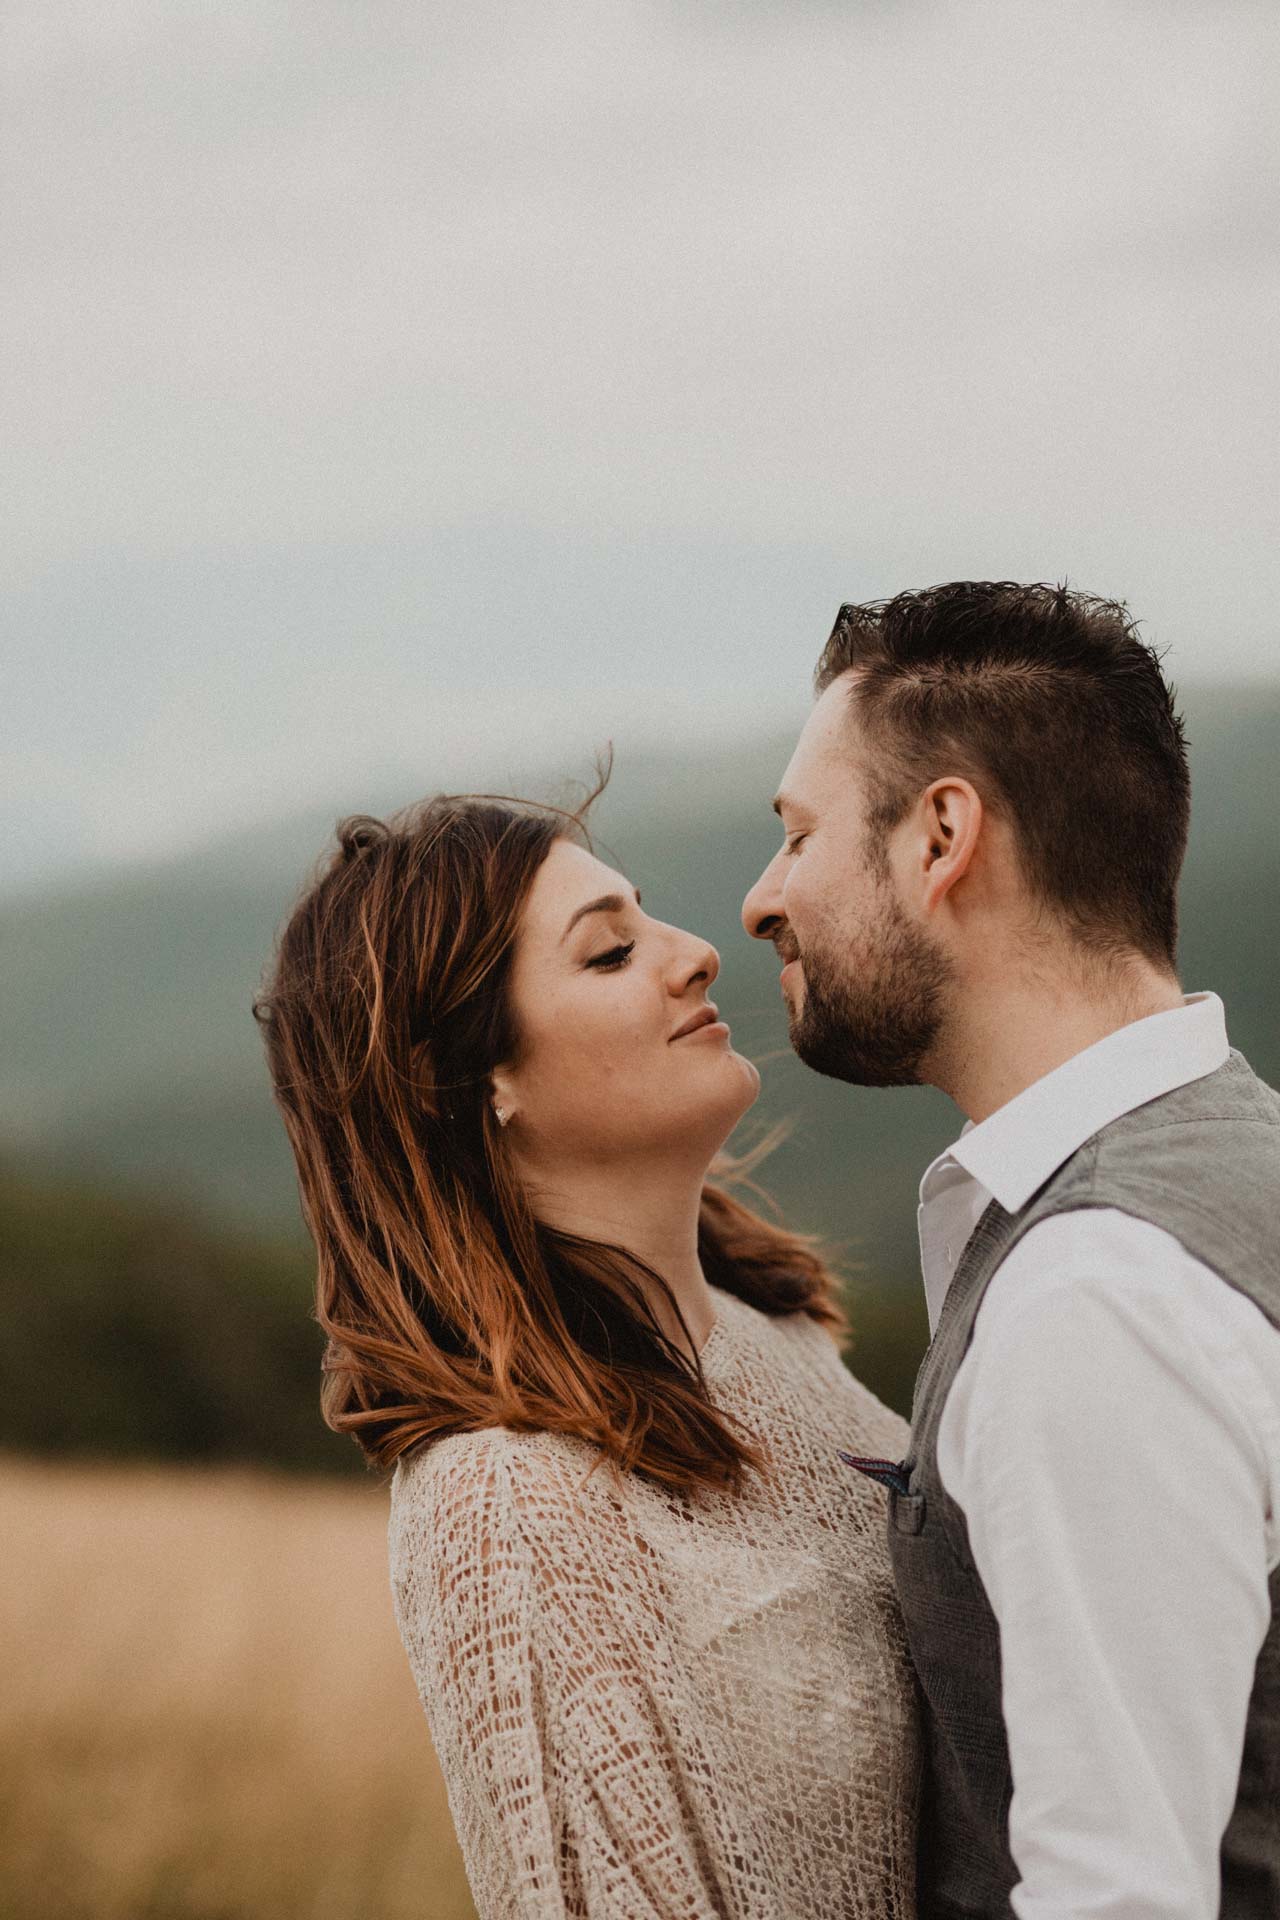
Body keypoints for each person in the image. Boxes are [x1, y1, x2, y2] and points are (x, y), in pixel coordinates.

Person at [255, 787, 922, 1920]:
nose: (697, 954)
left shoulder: (777, 1334)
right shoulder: (507, 1503)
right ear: (475, 1079)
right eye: (610, 953)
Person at [742, 580, 1280, 1919]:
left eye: (799, 835)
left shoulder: (1095, 1299)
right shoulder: (1235, 1164)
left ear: (941, 837)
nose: (761, 900)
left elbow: (1118, 1896)